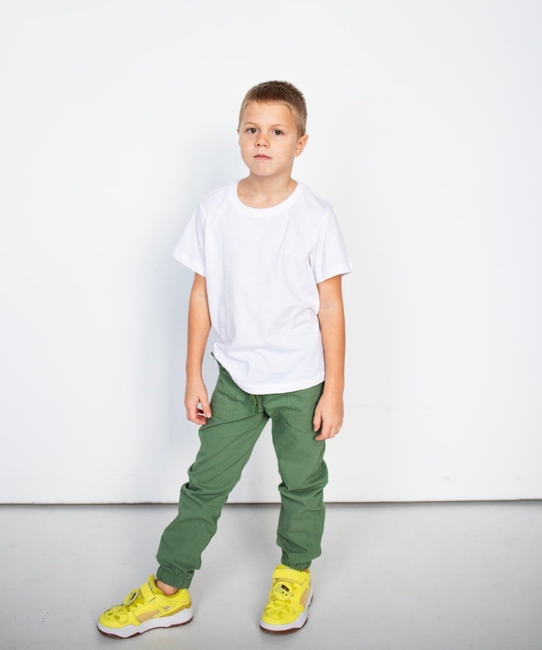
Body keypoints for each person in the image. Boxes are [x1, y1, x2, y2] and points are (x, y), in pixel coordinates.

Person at [97, 80, 353, 638]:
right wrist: (193, 373)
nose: (263, 140)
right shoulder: (214, 210)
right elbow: (201, 295)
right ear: (238, 136)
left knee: (302, 484)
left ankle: (295, 573)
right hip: (235, 378)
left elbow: (331, 306)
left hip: (301, 382)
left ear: (300, 143)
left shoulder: (314, 215)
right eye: (252, 129)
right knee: (205, 484)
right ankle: (170, 588)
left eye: (277, 131)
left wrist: (333, 390)